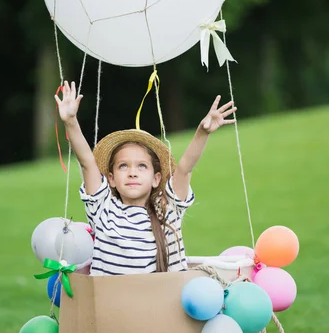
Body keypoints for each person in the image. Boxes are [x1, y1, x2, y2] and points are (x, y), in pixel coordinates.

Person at [55, 81, 237, 276]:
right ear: (111, 179)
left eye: (142, 166)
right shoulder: (103, 210)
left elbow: (184, 170)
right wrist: (71, 122)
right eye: (123, 166)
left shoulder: (166, 211)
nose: (132, 172)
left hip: (158, 304)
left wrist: (202, 132)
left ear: (156, 179)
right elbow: (87, 163)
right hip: (108, 305)